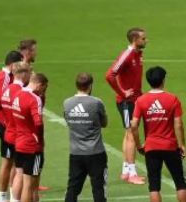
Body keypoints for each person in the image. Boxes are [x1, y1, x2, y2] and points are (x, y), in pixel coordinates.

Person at [131, 66, 186, 202]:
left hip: (151, 147)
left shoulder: (141, 100)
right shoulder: (172, 99)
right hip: (170, 146)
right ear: (163, 80)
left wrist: (139, 145)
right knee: (180, 183)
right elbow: (179, 124)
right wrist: (181, 144)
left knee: (154, 186)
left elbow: (134, 125)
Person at [105, 27, 147, 185]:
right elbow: (110, 75)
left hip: (134, 100)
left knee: (128, 133)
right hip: (126, 102)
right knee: (131, 134)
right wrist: (122, 92)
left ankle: (125, 170)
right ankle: (132, 173)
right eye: (143, 38)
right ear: (135, 40)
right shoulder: (127, 55)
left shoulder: (138, 54)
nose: (146, 40)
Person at [63, 72, 109, 202]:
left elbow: (68, 122)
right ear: (90, 86)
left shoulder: (67, 103)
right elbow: (104, 123)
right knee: (99, 189)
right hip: (96, 152)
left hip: (76, 153)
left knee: (72, 188)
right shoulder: (96, 103)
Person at [0, 50, 24, 202]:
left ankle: (8, 197)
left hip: (8, 125)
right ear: (13, 65)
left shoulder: (7, 76)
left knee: (11, 161)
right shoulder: (4, 77)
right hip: (6, 125)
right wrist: (7, 122)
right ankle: (7, 198)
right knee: (14, 162)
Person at [12, 73, 49, 202]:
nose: (43, 92)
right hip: (32, 147)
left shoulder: (17, 94)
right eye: (44, 88)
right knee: (30, 186)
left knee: (19, 175)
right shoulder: (34, 99)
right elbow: (38, 122)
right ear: (39, 84)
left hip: (19, 142)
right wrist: (40, 139)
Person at [0, 62, 31, 202]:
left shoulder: (7, 89)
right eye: (29, 73)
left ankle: (7, 198)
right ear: (24, 74)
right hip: (18, 136)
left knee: (12, 167)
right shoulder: (19, 92)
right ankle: (15, 199)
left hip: (9, 133)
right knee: (21, 172)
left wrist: (5, 121)